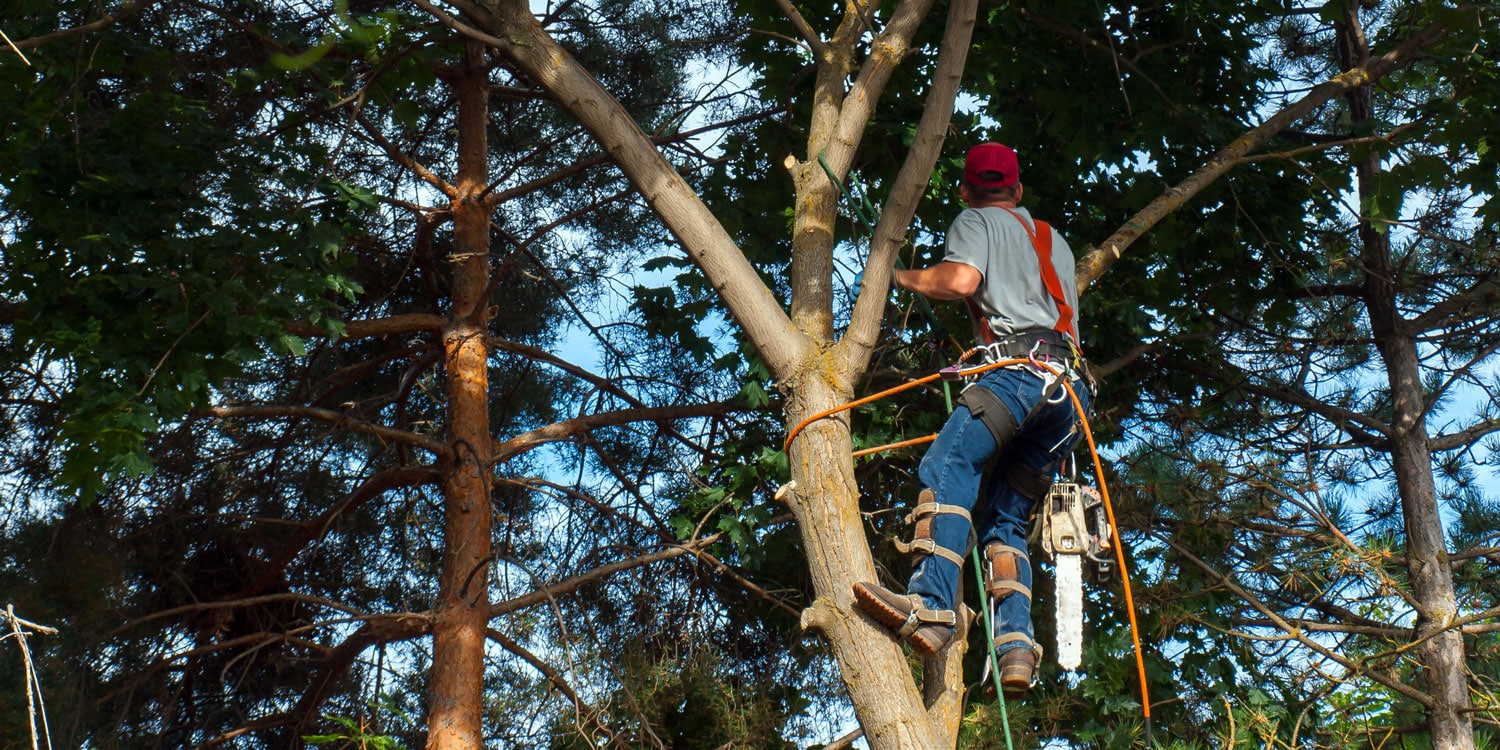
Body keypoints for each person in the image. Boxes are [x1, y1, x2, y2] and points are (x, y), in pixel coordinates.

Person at [853, 142, 1091, 700]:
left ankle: (933, 607)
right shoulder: (1054, 241)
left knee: (950, 461)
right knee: (1006, 522)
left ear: (966, 190)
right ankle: (1014, 649)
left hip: (1019, 375)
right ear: (1019, 191)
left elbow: (961, 281)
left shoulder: (974, 218)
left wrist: (902, 276)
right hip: (1071, 397)